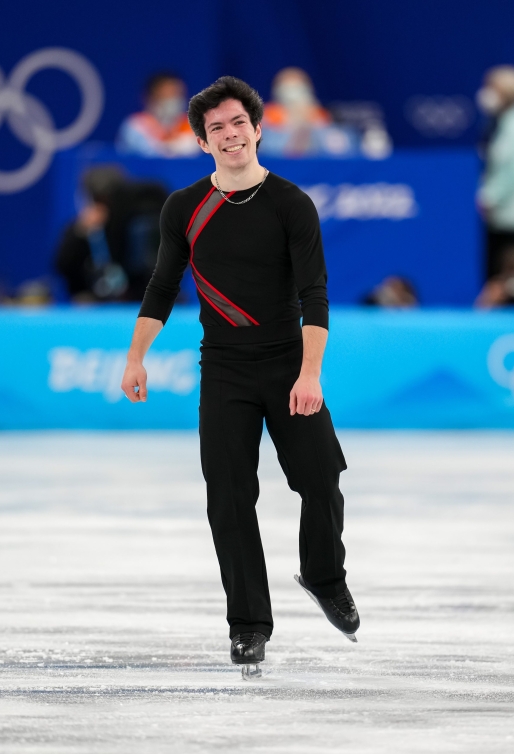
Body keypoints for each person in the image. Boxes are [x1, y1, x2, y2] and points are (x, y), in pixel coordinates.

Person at [121, 76, 360, 676]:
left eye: (237, 124)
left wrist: (310, 375)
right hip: (224, 369)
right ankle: (248, 625)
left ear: (257, 128)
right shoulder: (184, 207)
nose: (229, 136)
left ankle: (325, 576)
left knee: (321, 479)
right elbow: (161, 286)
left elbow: (315, 295)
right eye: (216, 129)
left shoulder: (290, 203)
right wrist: (135, 356)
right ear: (202, 142)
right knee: (230, 499)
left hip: (287, 364)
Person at [55, 166, 168, 302]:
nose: (103, 205)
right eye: (97, 199)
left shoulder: (141, 219)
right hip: (95, 300)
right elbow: (62, 266)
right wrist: (80, 233)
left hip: (141, 295)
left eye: (108, 198)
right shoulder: (81, 229)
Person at [477, 66, 514, 279]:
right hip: (504, 217)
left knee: (508, 277)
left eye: (491, 88)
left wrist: (489, 197)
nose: (485, 94)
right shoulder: (502, 124)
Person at [261, 67, 357, 157]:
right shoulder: (266, 119)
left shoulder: (319, 116)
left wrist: (310, 124)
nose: (294, 99)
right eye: (288, 92)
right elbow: (270, 151)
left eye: (299, 91)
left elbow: (341, 148)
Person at [116, 72, 198, 157]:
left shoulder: (191, 124)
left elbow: (193, 150)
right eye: (166, 95)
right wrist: (173, 147)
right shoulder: (135, 125)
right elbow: (148, 153)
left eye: (177, 95)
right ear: (150, 97)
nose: (173, 100)